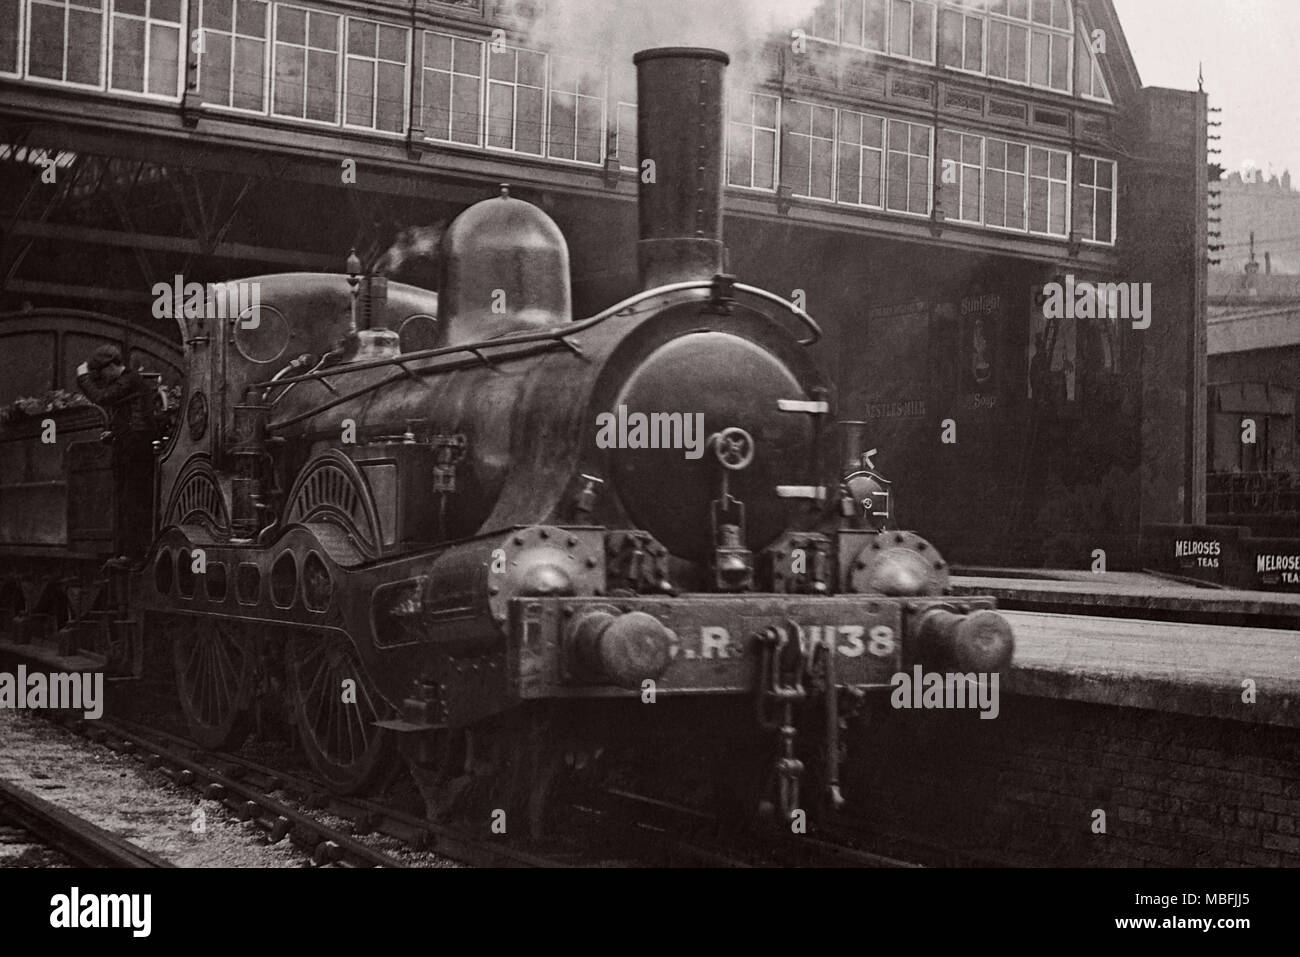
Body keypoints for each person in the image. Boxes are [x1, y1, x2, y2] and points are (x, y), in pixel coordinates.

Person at [75, 345, 157, 566]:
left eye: (101, 373)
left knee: (132, 501)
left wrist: (84, 378)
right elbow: (130, 414)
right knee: (126, 500)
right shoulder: (129, 381)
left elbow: (102, 397)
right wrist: (115, 433)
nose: (102, 378)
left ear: (111, 367)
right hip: (129, 445)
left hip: (136, 449)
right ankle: (127, 553)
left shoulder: (129, 380)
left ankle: (133, 554)